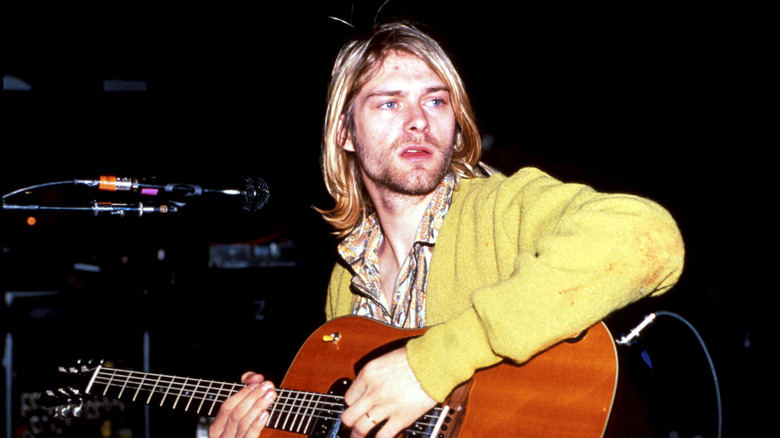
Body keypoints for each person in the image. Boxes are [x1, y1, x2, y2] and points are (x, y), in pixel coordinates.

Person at [209, 21, 685, 438]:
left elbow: (649, 238)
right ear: (345, 133)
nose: (418, 122)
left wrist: (428, 366)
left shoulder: (502, 208)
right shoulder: (346, 275)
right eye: (389, 104)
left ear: (455, 123)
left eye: (435, 100)